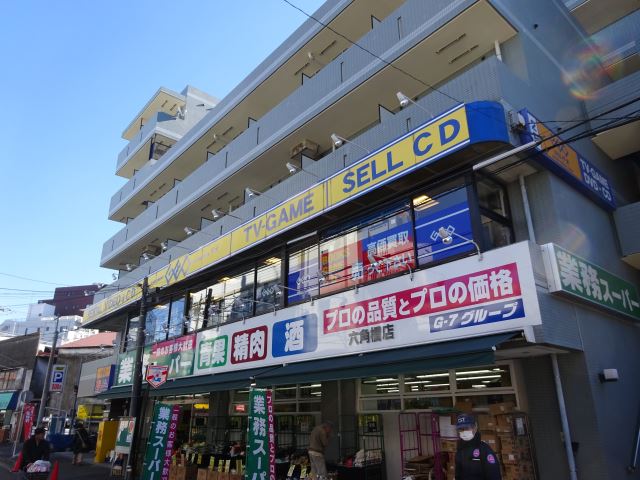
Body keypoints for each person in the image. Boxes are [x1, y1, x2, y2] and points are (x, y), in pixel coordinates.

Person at [455, 414, 501, 480]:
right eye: (461, 429)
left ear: (475, 427)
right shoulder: (459, 451)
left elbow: (494, 475)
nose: (464, 431)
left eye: (467, 428)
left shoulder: (484, 450)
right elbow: (458, 475)